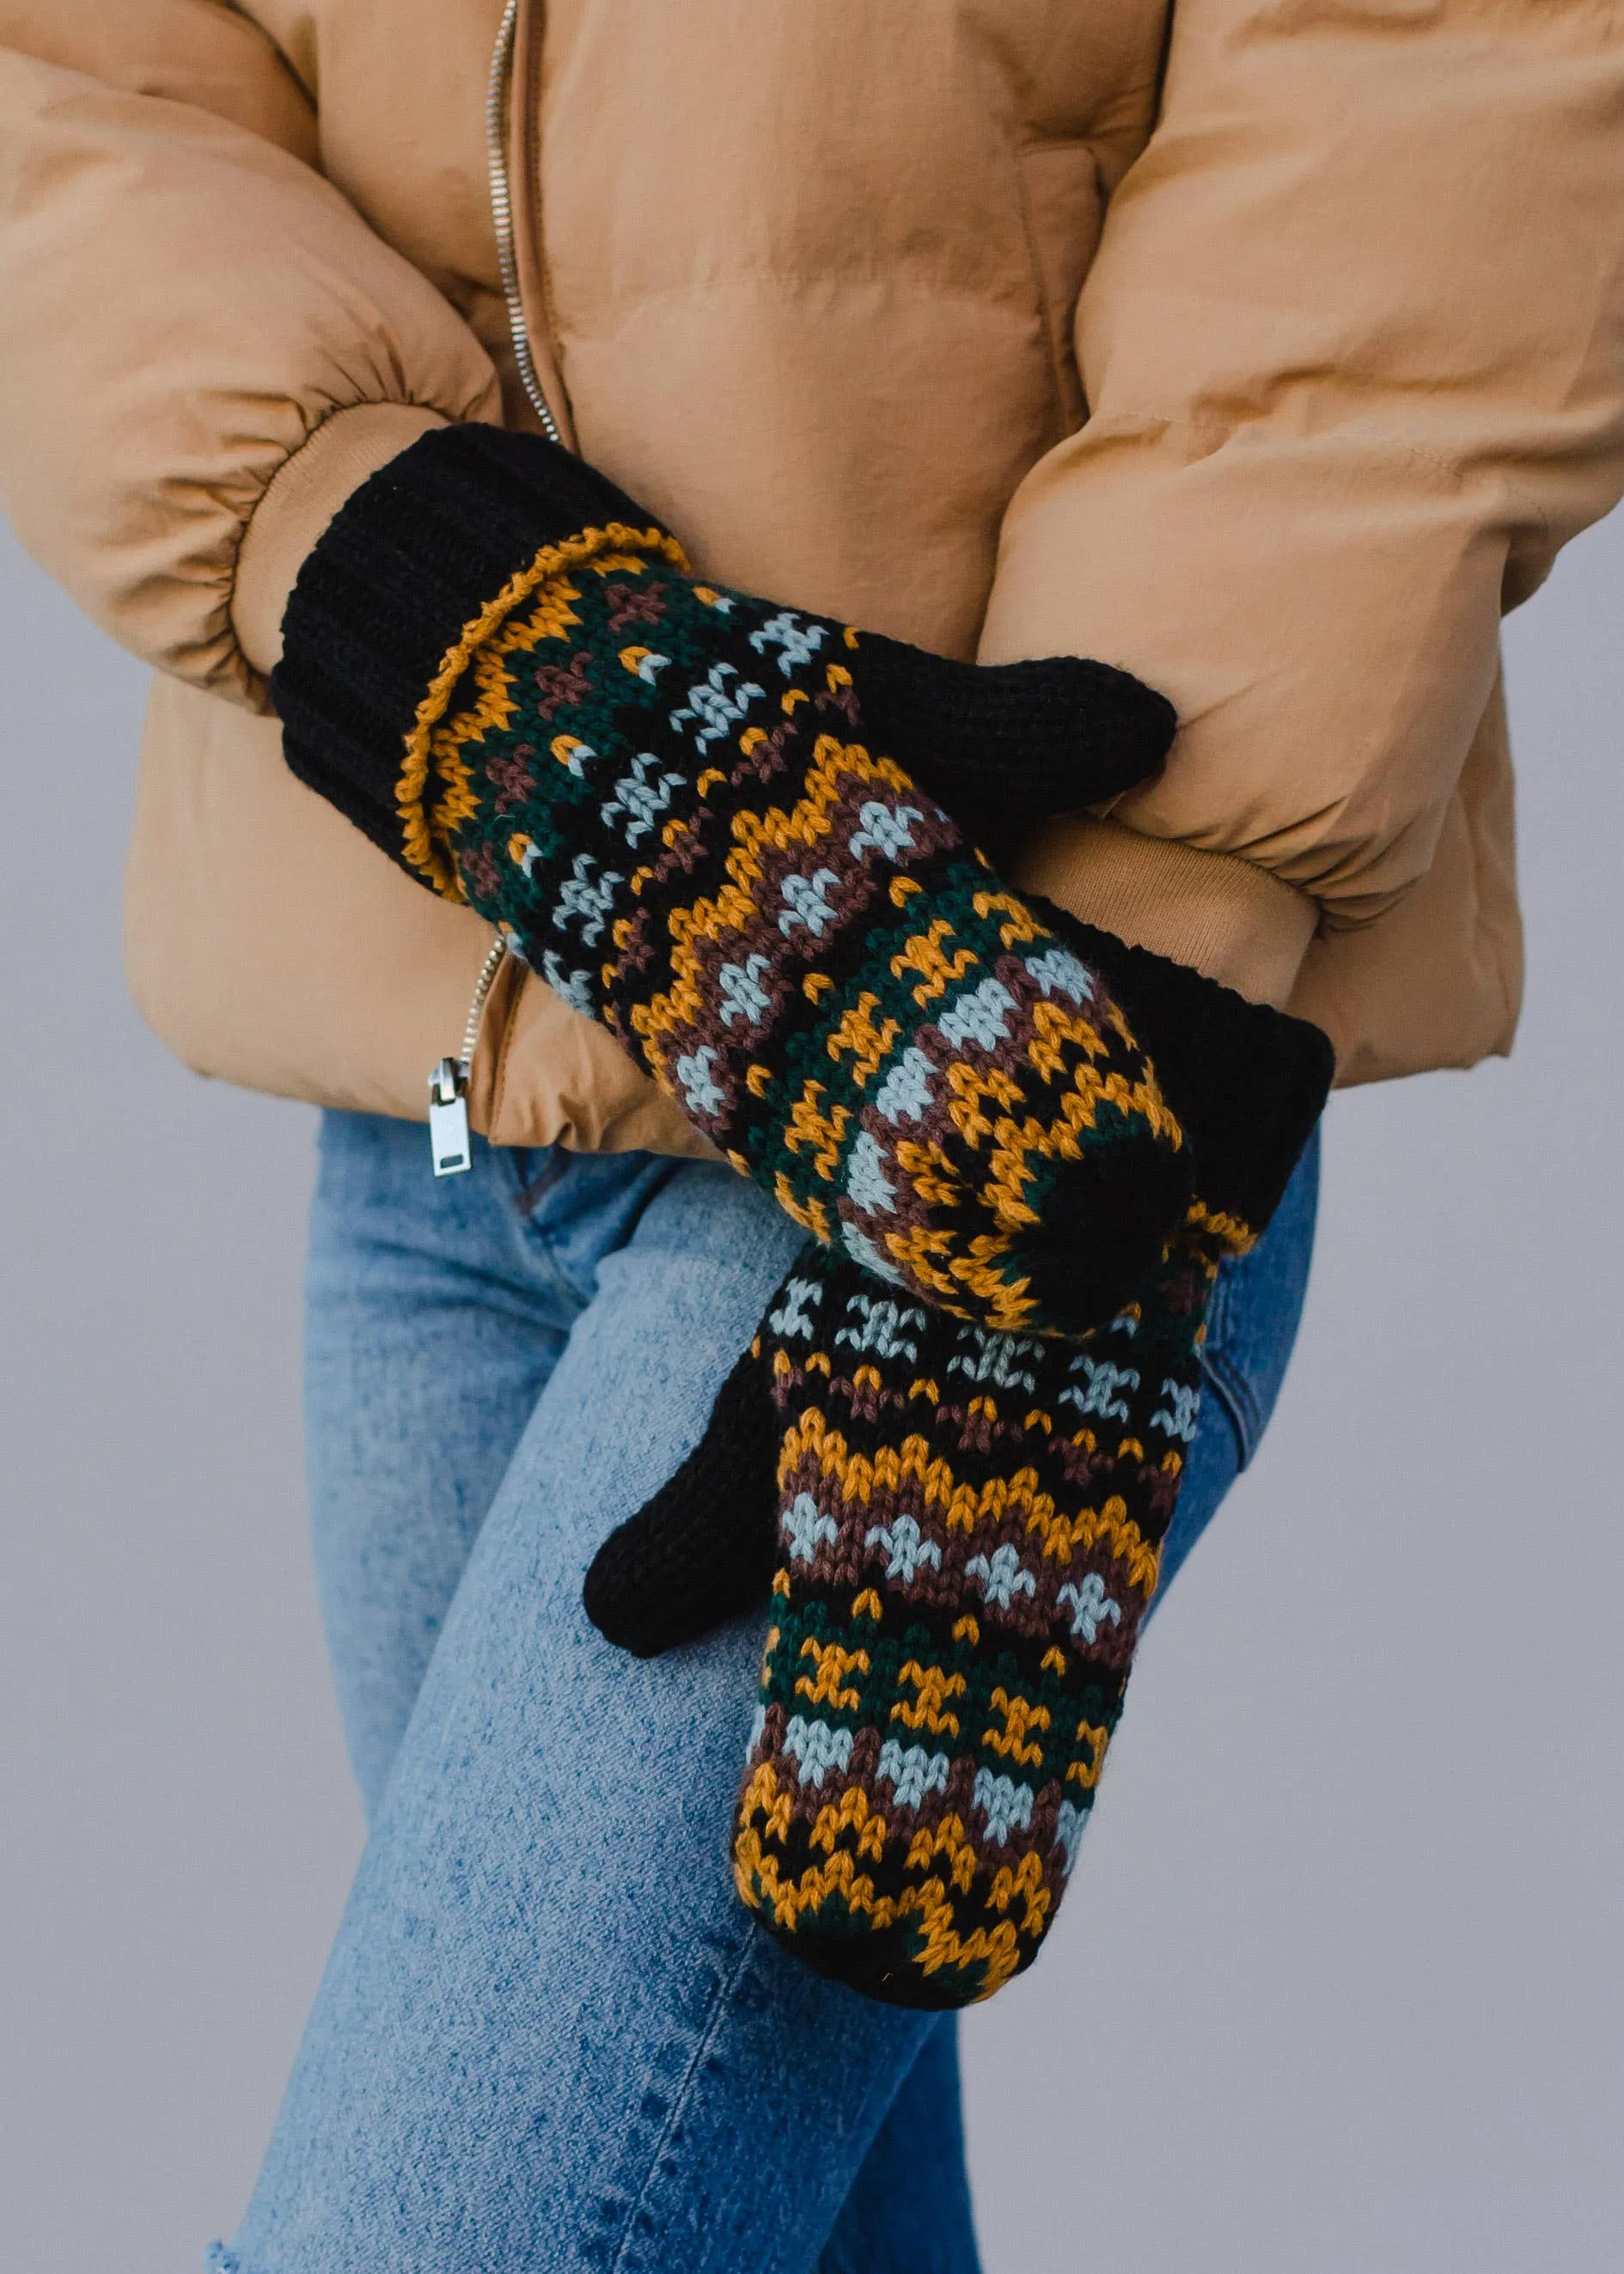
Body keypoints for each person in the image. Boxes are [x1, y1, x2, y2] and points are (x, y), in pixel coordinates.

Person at [1, 3, 1620, 2267]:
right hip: (436, 1122)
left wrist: (1118, 980)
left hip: (999, 1054)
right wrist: (367, 553)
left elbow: (1428, 82)